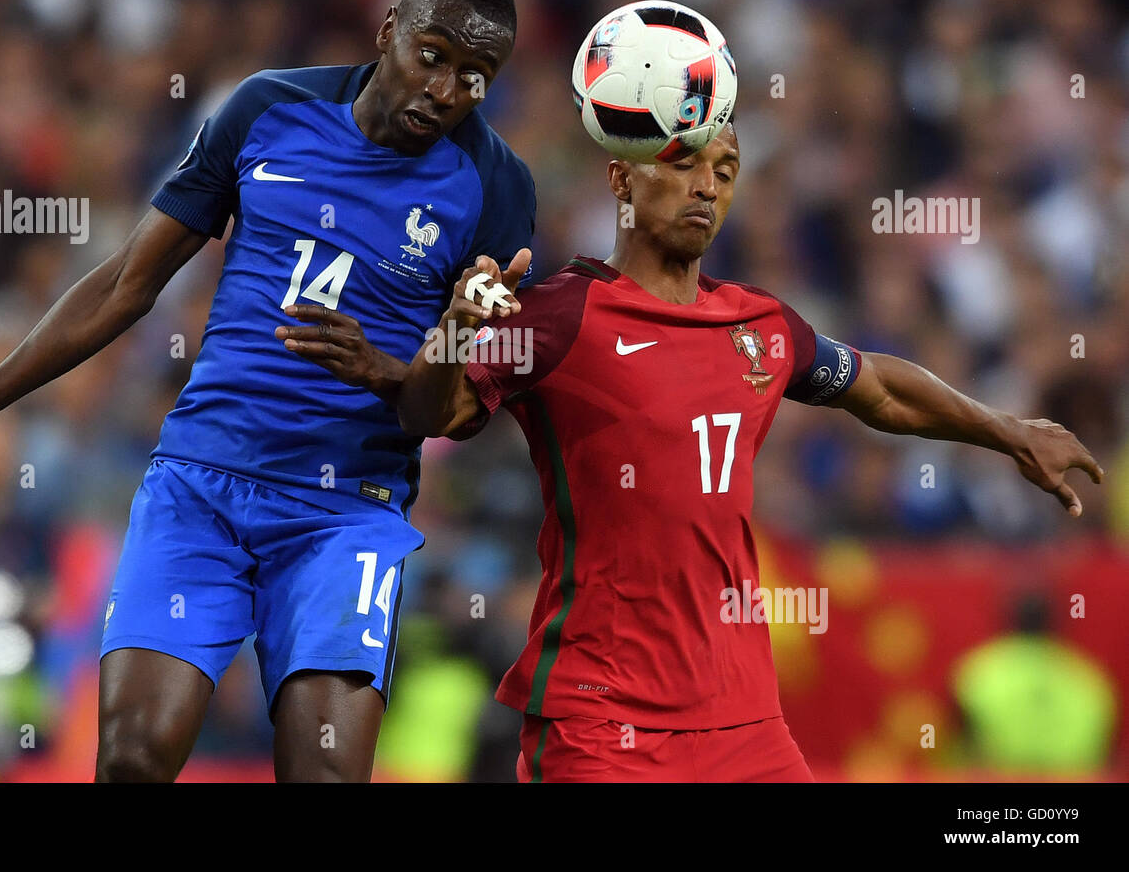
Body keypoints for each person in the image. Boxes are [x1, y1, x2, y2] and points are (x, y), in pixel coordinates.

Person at [0, 0, 535, 782]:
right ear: (389, 27)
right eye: (433, 55)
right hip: (203, 482)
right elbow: (123, 284)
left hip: (345, 512)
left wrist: (408, 362)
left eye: (476, 76)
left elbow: (451, 413)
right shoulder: (267, 111)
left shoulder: (495, 188)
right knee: (135, 759)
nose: (447, 89)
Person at [393, 118, 1104, 782]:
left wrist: (1008, 431)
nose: (708, 186)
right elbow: (432, 413)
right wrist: (456, 329)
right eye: (685, 164)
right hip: (604, 717)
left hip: (744, 720)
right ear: (620, 179)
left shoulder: (757, 325)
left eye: (727, 170)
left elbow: (880, 387)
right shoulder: (558, 315)